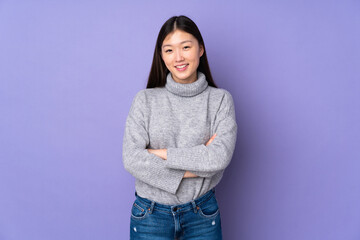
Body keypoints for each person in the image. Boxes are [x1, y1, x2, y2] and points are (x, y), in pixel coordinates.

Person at [122, 15, 237, 240]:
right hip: (150, 215)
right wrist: (195, 167)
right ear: (161, 55)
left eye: (186, 47)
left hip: (202, 213)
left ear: (200, 49)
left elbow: (218, 158)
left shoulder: (220, 100)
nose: (178, 57)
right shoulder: (145, 100)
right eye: (169, 50)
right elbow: (132, 159)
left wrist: (160, 154)